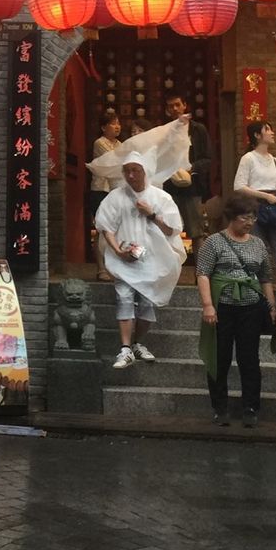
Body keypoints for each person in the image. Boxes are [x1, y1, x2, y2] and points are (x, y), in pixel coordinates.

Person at [95, 149, 185, 371]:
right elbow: (106, 227)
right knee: (124, 296)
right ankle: (125, 348)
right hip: (125, 257)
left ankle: (138, 343)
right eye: (127, 171)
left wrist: (152, 213)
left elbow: (173, 229)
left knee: (146, 302)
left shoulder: (161, 197)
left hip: (153, 258)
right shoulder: (116, 196)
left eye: (136, 170)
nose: (131, 175)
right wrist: (117, 251)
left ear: (145, 171)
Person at [196, 193, 276, 428]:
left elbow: (265, 277)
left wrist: (271, 306)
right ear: (232, 217)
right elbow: (202, 273)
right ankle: (219, 407)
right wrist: (207, 305)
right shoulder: (214, 242)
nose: (250, 222)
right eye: (245, 217)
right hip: (222, 306)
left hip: (251, 306)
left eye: (253, 218)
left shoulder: (257, 243)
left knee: (249, 358)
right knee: (219, 358)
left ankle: (251, 407)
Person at [233, 120, 276, 294]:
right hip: (255, 210)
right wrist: (265, 196)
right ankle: (255, 295)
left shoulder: (274, 160)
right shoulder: (248, 158)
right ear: (257, 135)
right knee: (256, 254)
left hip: (275, 210)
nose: (272, 133)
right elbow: (238, 186)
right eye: (268, 130)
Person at [165, 96, 211, 253]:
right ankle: (171, 272)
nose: (175, 109)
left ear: (185, 105)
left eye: (178, 105)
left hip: (193, 187)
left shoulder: (198, 130)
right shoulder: (165, 131)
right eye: (171, 106)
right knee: (170, 231)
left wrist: (191, 168)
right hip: (170, 188)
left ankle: (200, 275)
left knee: (197, 232)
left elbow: (207, 159)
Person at [88, 111, 123, 274]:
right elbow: (115, 160)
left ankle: (113, 267)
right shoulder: (99, 143)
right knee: (101, 229)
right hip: (100, 190)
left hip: (115, 191)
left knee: (115, 229)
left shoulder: (120, 144)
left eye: (118, 123)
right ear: (103, 127)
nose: (117, 127)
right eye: (113, 123)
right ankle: (101, 268)